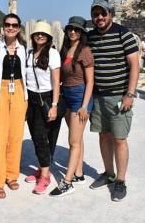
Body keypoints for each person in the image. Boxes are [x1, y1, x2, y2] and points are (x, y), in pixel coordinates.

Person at [87, 0, 139, 202]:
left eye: (103, 14)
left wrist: (130, 94)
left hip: (119, 95)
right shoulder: (90, 36)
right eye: (95, 14)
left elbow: (134, 64)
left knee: (119, 139)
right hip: (99, 96)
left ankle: (120, 180)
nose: (99, 17)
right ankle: (108, 174)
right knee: (103, 135)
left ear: (110, 14)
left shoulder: (123, 33)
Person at [49, 16, 94, 197]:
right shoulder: (65, 49)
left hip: (79, 96)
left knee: (73, 141)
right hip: (66, 95)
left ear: (82, 32)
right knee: (78, 138)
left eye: (76, 29)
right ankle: (79, 174)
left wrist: (84, 105)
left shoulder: (85, 51)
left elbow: (90, 81)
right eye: (70, 29)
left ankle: (67, 182)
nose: (72, 32)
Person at [0, 13, 28, 199]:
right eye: (8, 25)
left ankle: (11, 175)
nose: (11, 28)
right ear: (3, 27)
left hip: (19, 91)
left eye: (14, 25)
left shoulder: (23, 48)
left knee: (16, 136)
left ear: (19, 28)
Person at [25, 21, 61, 194]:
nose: (40, 36)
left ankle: (45, 176)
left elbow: (56, 81)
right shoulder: (29, 52)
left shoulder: (53, 54)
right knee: (34, 136)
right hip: (30, 99)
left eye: (43, 34)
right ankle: (41, 168)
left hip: (45, 98)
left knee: (41, 137)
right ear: (33, 36)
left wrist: (54, 105)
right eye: (37, 33)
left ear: (48, 38)